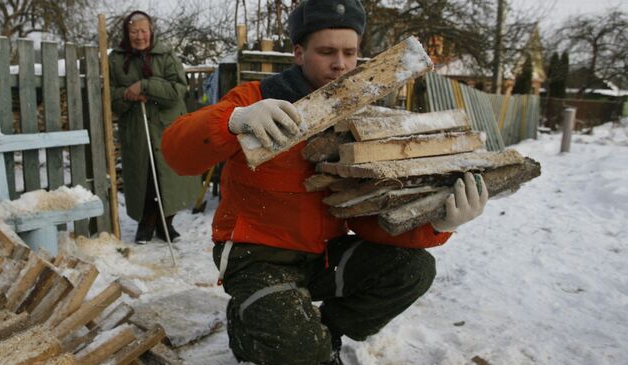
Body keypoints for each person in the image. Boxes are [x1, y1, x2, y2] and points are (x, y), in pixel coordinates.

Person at [162, 1, 488, 363]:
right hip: (255, 257)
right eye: (327, 51)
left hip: (323, 256)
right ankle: (250, 330)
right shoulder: (256, 98)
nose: (341, 64)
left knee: (413, 269)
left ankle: (324, 329)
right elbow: (177, 153)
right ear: (299, 53)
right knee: (305, 352)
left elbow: (365, 215)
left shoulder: (357, 117)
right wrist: (233, 120)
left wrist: (436, 223)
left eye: (350, 52)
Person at [109, 10, 199, 244]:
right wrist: (128, 94)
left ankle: (166, 223)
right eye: (133, 32)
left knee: (170, 178)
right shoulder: (116, 59)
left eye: (143, 31)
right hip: (137, 128)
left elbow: (177, 89)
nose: (139, 36)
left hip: (167, 128)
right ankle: (146, 223)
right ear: (126, 35)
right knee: (144, 178)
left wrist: (145, 86)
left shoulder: (166, 55)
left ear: (151, 31)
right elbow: (109, 96)